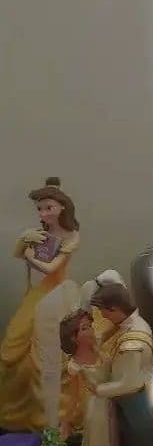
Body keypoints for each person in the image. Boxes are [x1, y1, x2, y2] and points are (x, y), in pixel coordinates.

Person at [0, 178, 81, 431]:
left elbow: (50, 268)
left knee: (55, 350)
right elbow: (16, 254)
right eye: (39, 208)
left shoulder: (71, 236)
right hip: (37, 294)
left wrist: (28, 254)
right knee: (17, 345)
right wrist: (23, 239)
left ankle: (57, 417)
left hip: (58, 295)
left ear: (62, 207)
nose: (43, 213)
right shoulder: (41, 233)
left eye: (48, 208)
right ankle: (21, 415)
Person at [88, 281, 153, 446]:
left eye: (104, 311)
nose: (102, 316)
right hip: (134, 400)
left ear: (114, 309)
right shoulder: (130, 325)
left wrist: (99, 389)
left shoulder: (132, 342)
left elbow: (129, 383)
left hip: (138, 401)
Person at [60, 309, 115, 446]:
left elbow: (114, 326)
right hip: (97, 411)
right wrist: (66, 422)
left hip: (113, 404)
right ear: (73, 338)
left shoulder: (97, 344)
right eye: (84, 328)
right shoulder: (75, 365)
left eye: (89, 325)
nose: (90, 330)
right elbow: (73, 397)